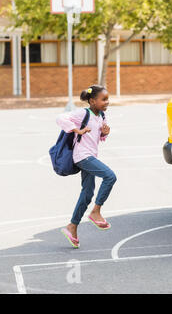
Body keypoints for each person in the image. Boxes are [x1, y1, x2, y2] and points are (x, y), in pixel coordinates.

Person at [57, 85, 116, 248]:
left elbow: (99, 136)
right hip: (82, 156)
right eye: (103, 99)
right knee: (110, 176)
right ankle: (96, 212)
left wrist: (104, 133)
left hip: (90, 155)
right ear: (92, 101)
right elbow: (61, 118)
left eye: (108, 99)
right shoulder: (83, 113)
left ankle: (72, 227)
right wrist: (77, 129)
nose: (107, 102)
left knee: (87, 192)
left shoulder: (101, 115)